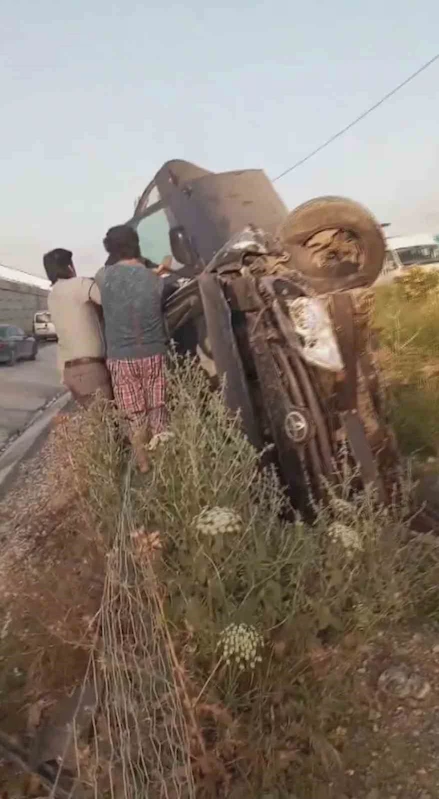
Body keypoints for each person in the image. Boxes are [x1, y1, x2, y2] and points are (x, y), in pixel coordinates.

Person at [90, 226, 170, 472]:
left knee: (133, 414)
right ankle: (164, 461)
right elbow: (150, 284)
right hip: (153, 351)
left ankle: (144, 464)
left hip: (121, 357)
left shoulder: (102, 276)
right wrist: (158, 268)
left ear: (110, 248)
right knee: (158, 408)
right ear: (137, 244)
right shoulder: (154, 279)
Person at [43, 248, 112, 406]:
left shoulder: (52, 296)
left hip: (69, 372)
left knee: (93, 417)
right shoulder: (81, 284)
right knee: (108, 417)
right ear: (69, 267)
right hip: (90, 369)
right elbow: (110, 301)